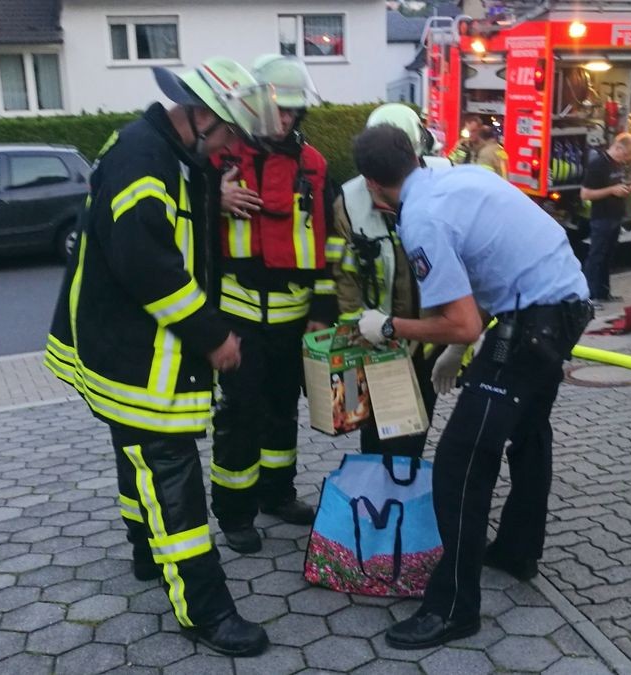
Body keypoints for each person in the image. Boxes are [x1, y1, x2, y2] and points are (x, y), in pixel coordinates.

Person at [43, 57, 279, 657]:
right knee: (171, 474)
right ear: (199, 116)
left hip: (117, 347)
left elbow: (164, 226)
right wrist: (212, 336)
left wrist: (212, 200)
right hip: (136, 356)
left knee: (136, 456)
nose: (228, 148)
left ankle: (146, 555)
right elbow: (151, 268)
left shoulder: (157, 148)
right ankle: (205, 609)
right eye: (226, 132)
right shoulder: (144, 161)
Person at [351, 125, 594, 650]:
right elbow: (490, 269)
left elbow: (460, 322)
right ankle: (517, 550)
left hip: (534, 322)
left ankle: (454, 607)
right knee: (528, 433)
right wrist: (462, 346)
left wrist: (389, 326)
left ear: (373, 185)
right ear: (416, 156)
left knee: (462, 458)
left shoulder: (420, 219)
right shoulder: (453, 179)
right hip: (564, 303)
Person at [209, 55, 335, 554]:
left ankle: (276, 493)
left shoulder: (314, 164)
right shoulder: (219, 160)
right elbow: (182, 229)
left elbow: (329, 244)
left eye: (292, 111)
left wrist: (322, 313)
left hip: (294, 318)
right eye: (276, 109)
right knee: (240, 415)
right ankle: (235, 512)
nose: (284, 119)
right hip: (237, 317)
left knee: (283, 409)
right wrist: (210, 200)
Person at [329, 102, 451, 457]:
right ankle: (381, 495)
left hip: (429, 339)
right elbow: (344, 276)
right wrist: (356, 337)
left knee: (415, 427)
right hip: (378, 341)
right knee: (381, 429)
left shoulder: (445, 181)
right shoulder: (350, 201)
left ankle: (399, 492)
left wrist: (456, 344)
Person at [580, 133, 631, 306]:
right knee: (596, 257)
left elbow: (615, 185)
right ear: (618, 148)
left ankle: (603, 292)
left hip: (614, 217)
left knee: (607, 257)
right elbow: (585, 194)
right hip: (602, 218)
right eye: (625, 155)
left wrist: (627, 189)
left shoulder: (616, 165)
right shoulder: (598, 164)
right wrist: (612, 190)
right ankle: (588, 296)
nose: (625, 160)